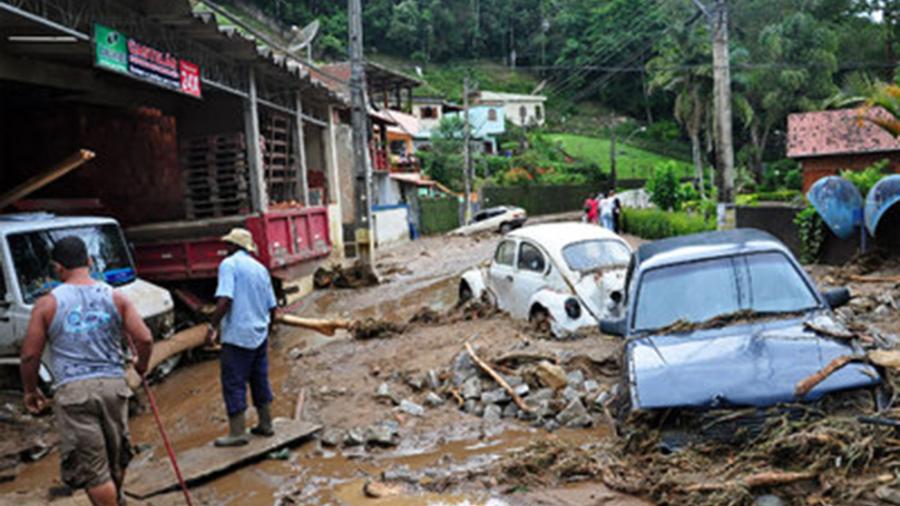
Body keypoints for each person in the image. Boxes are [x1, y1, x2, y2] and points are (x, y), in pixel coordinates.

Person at [20, 236, 153, 506]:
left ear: (57, 268)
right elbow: (145, 338)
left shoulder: (46, 304)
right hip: (114, 385)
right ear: (90, 262)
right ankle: (118, 497)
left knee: (94, 469)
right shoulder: (115, 296)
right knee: (116, 453)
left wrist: (30, 390)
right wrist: (141, 365)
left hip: (74, 391)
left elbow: (30, 355)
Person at [206, 228, 278, 447]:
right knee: (259, 378)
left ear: (233, 246)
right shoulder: (260, 268)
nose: (226, 248)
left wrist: (212, 326)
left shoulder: (229, 265)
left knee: (234, 382)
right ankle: (266, 424)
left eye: (228, 244)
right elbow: (272, 306)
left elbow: (225, 299)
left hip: (237, 335)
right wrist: (269, 328)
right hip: (259, 333)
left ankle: (237, 432)